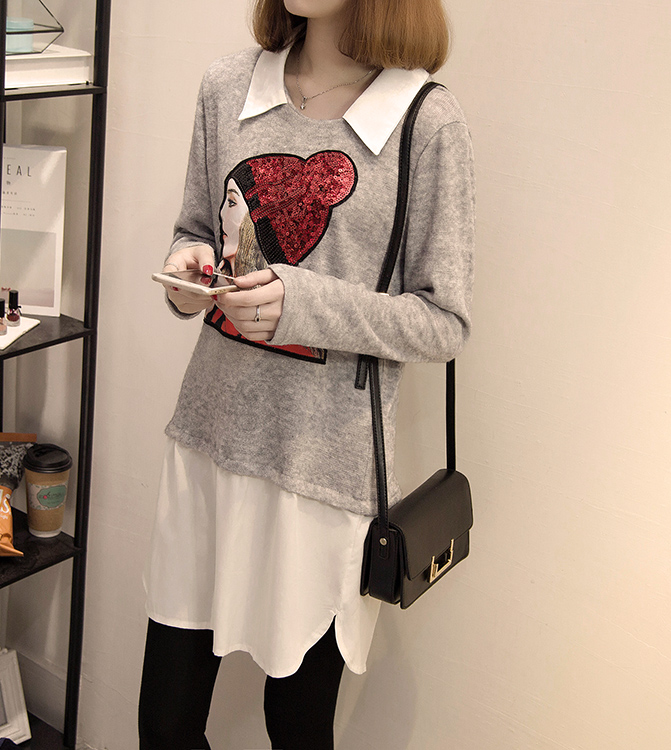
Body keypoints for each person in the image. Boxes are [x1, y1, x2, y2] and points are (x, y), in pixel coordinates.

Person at [140, 0, 475, 747]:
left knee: (295, 726)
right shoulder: (228, 86)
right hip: (207, 444)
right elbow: (197, 231)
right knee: (163, 723)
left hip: (320, 474)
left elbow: (443, 320)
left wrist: (303, 305)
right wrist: (186, 273)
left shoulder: (424, 121)